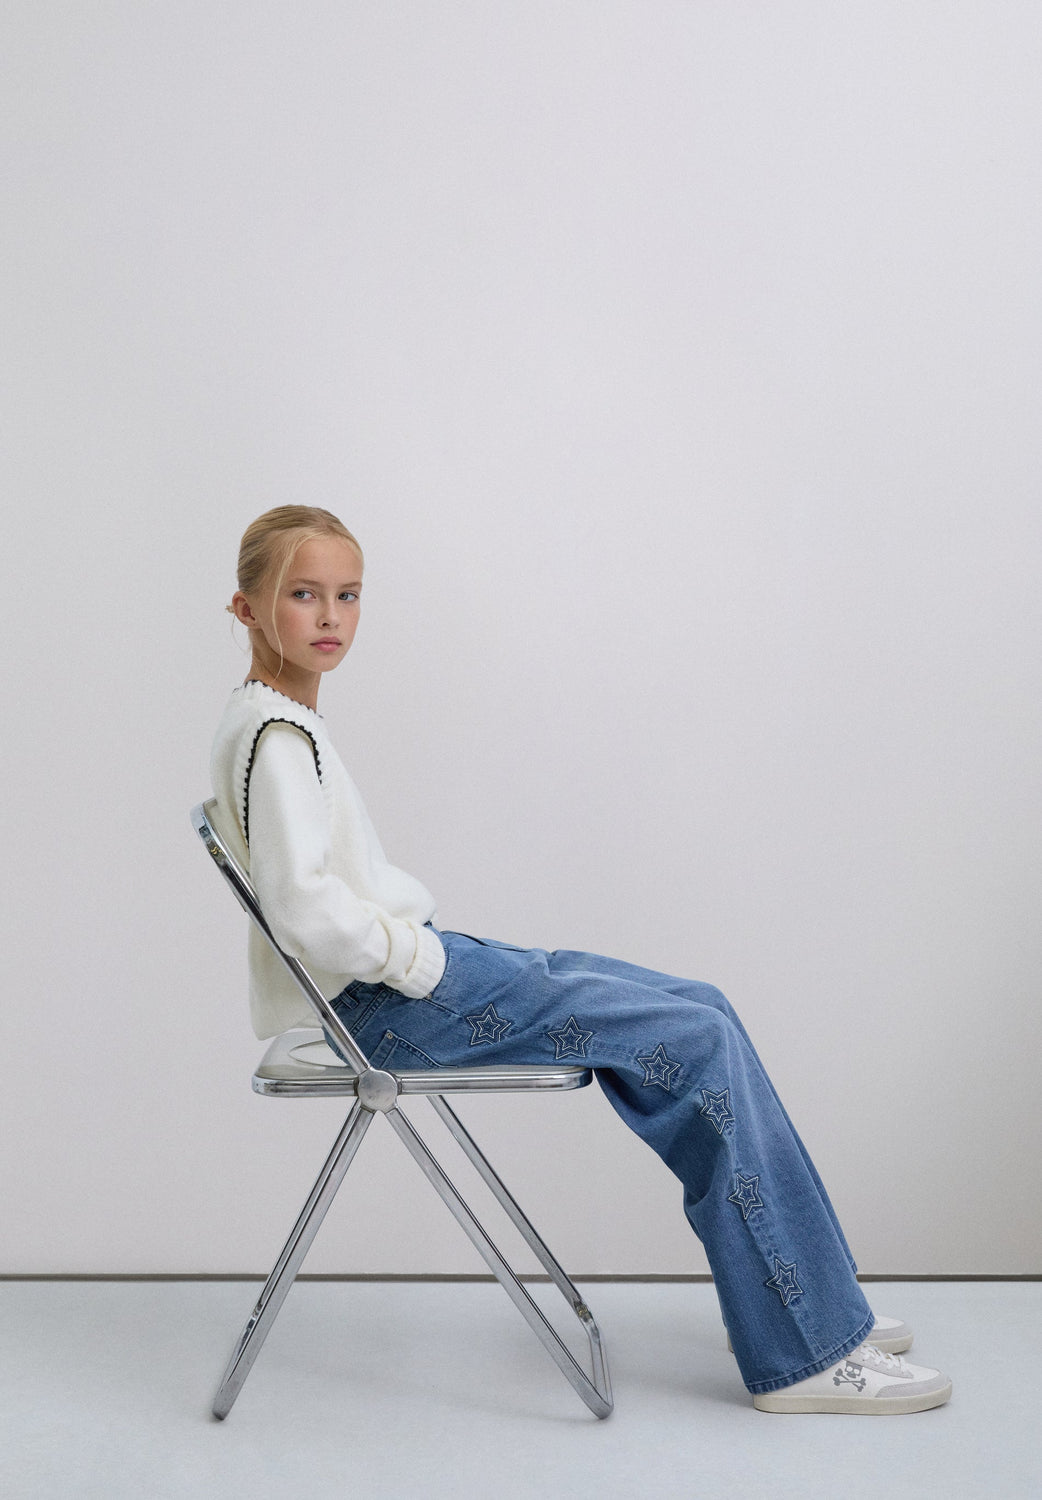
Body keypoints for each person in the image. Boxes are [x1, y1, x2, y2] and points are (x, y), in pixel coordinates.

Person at [210, 505, 952, 1415]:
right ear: (246, 608)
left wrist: (421, 955)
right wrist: (420, 961)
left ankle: (804, 1306)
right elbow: (304, 911)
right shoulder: (279, 740)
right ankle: (804, 1350)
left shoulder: (275, 720)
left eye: (348, 595)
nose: (330, 616)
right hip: (395, 1002)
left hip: (404, 983)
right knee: (697, 1039)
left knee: (702, 1005)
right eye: (302, 595)